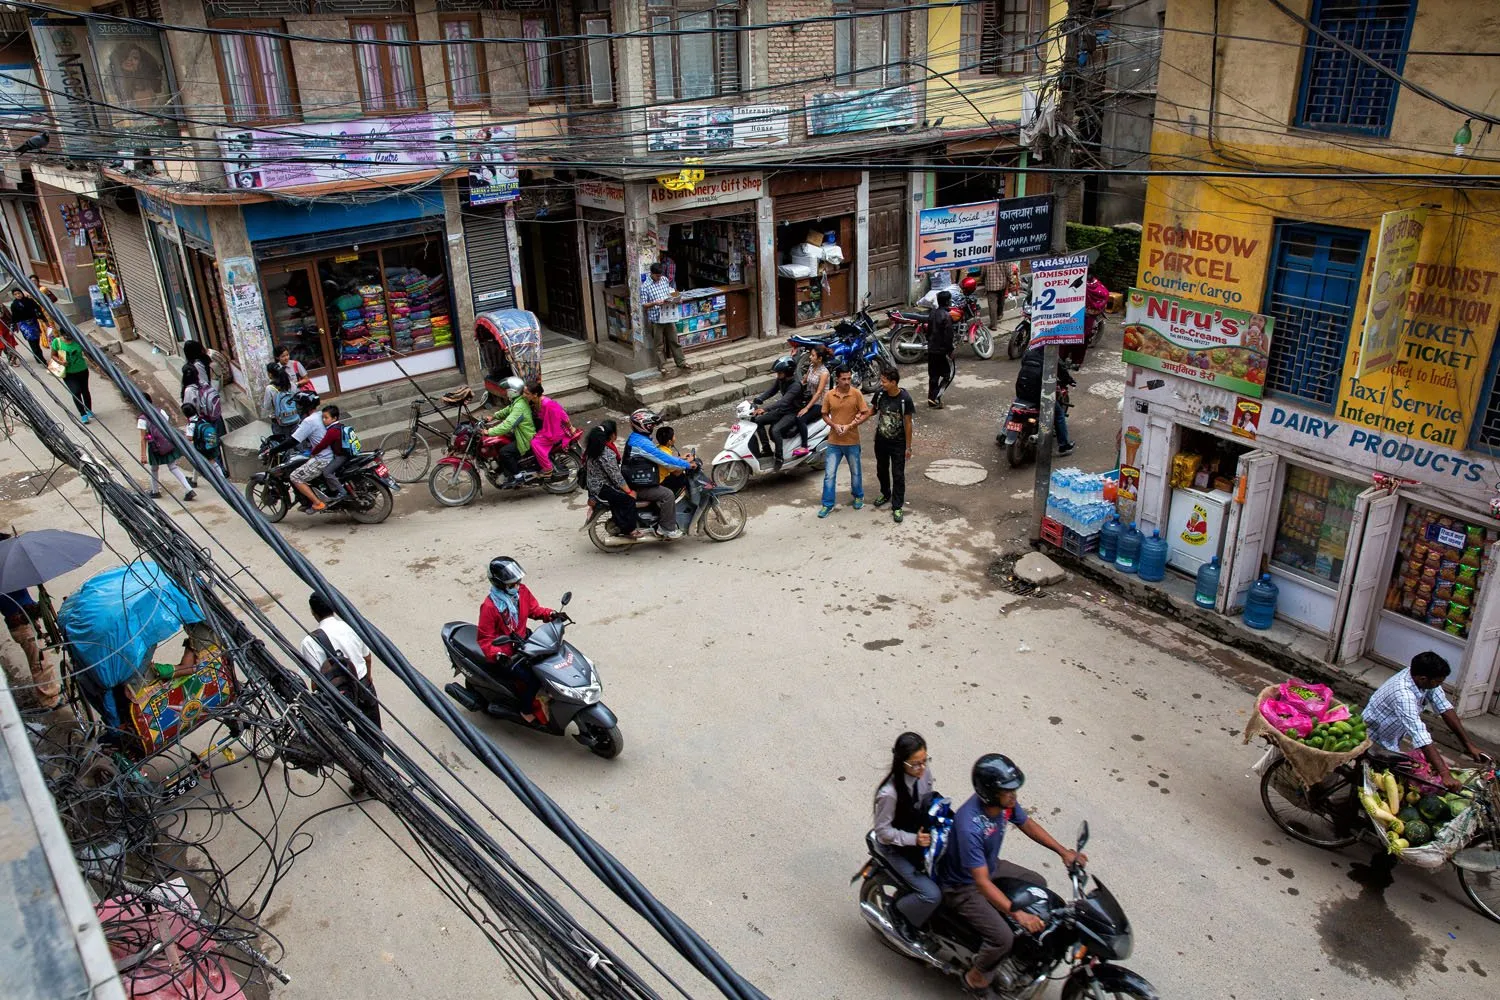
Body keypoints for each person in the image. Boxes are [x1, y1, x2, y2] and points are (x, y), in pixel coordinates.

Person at [937, 754, 1086, 993]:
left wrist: (1063, 852)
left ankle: (1020, 955)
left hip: (990, 866)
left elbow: (1027, 824)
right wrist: (1019, 915)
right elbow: (982, 883)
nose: (1014, 796)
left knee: (1037, 884)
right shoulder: (970, 826)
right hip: (962, 887)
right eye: (1009, 791)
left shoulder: (1004, 804)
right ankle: (976, 979)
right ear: (990, 792)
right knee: (1002, 939)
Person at [1363, 651, 1491, 792]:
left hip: (1391, 736)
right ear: (1424, 679)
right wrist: (1445, 774)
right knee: (1380, 784)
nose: (1439, 685)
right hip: (1373, 738)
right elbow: (1420, 735)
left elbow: (1444, 707)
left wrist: (1469, 745)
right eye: (1437, 682)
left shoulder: (1421, 678)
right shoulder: (1403, 694)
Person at [298, 592, 382, 789]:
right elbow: (367, 657)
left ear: (313, 612)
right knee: (373, 734)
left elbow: (315, 679)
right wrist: (367, 680)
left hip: (337, 696)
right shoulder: (351, 626)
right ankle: (380, 777)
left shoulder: (310, 642)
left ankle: (360, 780)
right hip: (364, 685)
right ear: (334, 608)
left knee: (344, 740)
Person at [873, 732, 942, 940]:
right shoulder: (889, 794)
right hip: (897, 848)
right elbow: (883, 832)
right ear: (901, 762)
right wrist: (914, 839)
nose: (922, 768)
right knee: (931, 895)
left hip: (920, 835)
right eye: (915, 764)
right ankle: (898, 912)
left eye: (924, 761)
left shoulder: (924, 775)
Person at [476, 557, 559, 723]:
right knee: (534, 680)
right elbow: (485, 639)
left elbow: (534, 610)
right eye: (512, 584)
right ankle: (525, 709)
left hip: (525, 641)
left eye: (517, 582)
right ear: (500, 584)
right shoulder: (490, 607)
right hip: (508, 653)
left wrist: (551, 614)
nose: (517, 586)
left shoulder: (522, 592)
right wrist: (498, 654)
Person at [0, 541, 61, 712]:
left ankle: (51, 694)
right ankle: (49, 701)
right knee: (40, 662)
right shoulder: (6, 575)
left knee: (41, 659)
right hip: (22, 624)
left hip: (25, 621)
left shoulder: (9, 572)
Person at [623, 408, 694, 538]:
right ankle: (666, 528)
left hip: (638, 479)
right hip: (639, 485)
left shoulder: (637, 438)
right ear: (645, 426)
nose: (653, 427)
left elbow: (660, 456)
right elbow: (664, 460)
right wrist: (687, 464)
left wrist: (680, 459)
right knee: (667, 494)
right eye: (652, 425)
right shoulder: (641, 443)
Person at [818, 366, 870, 518]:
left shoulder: (856, 394)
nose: (847, 382)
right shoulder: (829, 395)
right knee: (829, 474)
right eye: (844, 379)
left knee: (855, 472)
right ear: (837, 379)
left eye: (849, 378)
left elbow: (865, 413)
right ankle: (827, 504)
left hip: (852, 441)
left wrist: (850, 426)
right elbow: (824, 414)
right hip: (834, 442)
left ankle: (858, 495)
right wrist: (834, 425)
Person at [584, 420, 642, 539]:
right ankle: (629, 529)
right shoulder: (605, 453)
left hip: (594, 484)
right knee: (628, 500)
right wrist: (629, 492)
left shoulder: (594, 449)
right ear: (612, 435)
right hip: (602, 487)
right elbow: (615, 476)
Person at [871, 367, 915, 524]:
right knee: (881, 470)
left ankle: (897, 506)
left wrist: (908, 447)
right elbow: (873, 410)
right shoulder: (880, 394)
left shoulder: (904, 399)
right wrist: (857, 418)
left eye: (884, 381)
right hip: (881, 441)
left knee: (898, 475)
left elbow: (908, 423)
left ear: (893, 382)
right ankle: (885, 493)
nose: (881, 384)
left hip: (898, 444)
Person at [1015, 345, 1076, 456]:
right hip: (1039, 394)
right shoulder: (1051, 355)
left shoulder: (1029, 351)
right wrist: (1070, 380)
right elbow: (1062, 372)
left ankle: (1004, 433)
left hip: (1022, 389)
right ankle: (1064, 446)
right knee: (1059, 414)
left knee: (1015, 406)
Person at [138, 392, 196, 500]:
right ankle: (189, 489)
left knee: (154, 468)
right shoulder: (161, 411)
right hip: (168, 442)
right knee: (173, 467)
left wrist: (143, 455)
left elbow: (143, 438)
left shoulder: (142, 418)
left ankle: (155, 491)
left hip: (155, 446)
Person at [291, 404, 350, 511]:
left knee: (325, 473)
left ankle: (337, 494)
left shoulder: (331, 431)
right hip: (345, 454)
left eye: (326, 418)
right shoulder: (340, 426)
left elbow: (323, 444)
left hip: (338, 456)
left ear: (334, 418)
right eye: (323, 417)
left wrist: (313, 452)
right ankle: (332, 492)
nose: (323, 420)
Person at [751, 355, 807, 466]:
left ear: (787, 372)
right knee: (758, 421)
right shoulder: (781, 379)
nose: (778, 375)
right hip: (782, 411)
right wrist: (758, 399)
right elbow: (771, 391)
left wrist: (765, 409)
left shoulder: (795, 385)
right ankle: (766, 449)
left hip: (792, 413)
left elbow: (783, 402)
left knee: (775, 430)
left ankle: (779, 458)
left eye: (780, 372)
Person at [484, 376, 536, 486]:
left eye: (507, 390)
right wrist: (493, 417)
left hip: (525, 438)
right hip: (519, 434)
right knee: (500, 444)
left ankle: (518, 477)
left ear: (513, 391)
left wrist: (489, 432)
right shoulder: (517, 401)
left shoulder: (519, 406)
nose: (505, 392)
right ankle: (507, 471)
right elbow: (506, 411)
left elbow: (508, 424)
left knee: (504, 452)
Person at [522, 381, 576, 479]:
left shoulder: (548, 404)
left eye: (526, 393)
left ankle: (547, 468)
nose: (524, 395)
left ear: (535, 395)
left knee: (535, 443)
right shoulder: (533, 402)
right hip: (545, 428)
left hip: (554, 432)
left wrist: (571, 427)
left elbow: (563, 415)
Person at [642, 262, 688, 376]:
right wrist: (654, 303)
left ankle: (681, 362)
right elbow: (644, 304)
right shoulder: (645, 287)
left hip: (668, 316)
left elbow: (670, 291)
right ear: (651, 274)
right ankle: (661, 366)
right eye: (657, 276)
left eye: (660, 275)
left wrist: (677, 297)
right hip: (656, 319)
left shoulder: (664, 280)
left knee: (674, 340)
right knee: (659, 345)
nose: (659, 277)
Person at [792, 344, 831, 458]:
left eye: (813, 356)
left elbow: (819, 393)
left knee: (800, 418)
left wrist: (807, 408)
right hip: (810, 398)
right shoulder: (811, 367)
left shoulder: (824, 373)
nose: (810, 357)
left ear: (820, 358)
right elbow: (803, 381)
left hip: (821, 403)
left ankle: (804, 446)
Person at [51, 326, 93, 423]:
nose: (69, 338)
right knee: (75, 391)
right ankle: (83, 413)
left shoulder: (78, 341)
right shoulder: (57, 342)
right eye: (67, 336)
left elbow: (87, 353)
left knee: (85, 390)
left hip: (82, 370)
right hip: (68, 372)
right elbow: (53, 355)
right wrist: (61, 361)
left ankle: (89, 409)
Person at [926, 290, 956, 408]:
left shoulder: (932, 313)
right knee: (948, 374)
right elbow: (948, 336)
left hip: (931, 349)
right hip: (942, 351)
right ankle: (935, 396)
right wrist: (950, 350)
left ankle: (931, 398)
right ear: (948, 301)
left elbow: (928, 331)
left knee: (933, 375)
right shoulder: (947, 316)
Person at [181, 401, 225, 476]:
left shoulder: (191, 425)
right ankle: (194, 480)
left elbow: (190, 438)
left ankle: (222, 479)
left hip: (202, 447)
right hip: (210, 442)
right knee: (208, 462)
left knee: (205, 463)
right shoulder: (201, 418)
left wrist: (184, 436)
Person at [262, 364, 300, 440]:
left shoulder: (270, 388)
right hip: (294, 417)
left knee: (283, 446)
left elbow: (267, 406)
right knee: (296, 442)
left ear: (270, 374)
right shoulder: (291, 385)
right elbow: (297, 398)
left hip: (279, 422)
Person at [9, 287, 43, 364]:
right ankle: (40, 359)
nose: (18, 295)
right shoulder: (14, 305)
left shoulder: (30, 301)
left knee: (36, 341)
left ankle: (39, 355)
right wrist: (12, 328)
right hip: (24, 325)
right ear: (14, 296)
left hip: (33, 322)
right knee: (31, 340)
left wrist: (43, 319)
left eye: (19, 293)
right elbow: (14, 317)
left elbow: (37, 309)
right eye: (15, 294)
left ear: (22, 293)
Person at [654, 424, 690, 495]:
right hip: (662, 482)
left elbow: (670, 460)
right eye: (674, 436)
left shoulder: (659, 447)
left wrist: (681, 458)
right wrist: (688, 462)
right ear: (669, 442)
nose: (675, 437)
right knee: (682, 476)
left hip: (657, 477)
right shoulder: (665, 453)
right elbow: (676, 472)